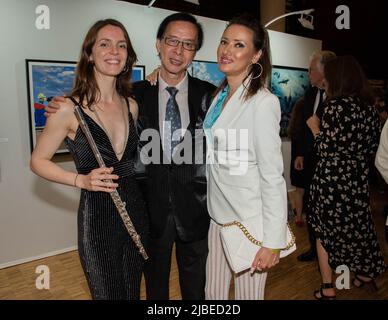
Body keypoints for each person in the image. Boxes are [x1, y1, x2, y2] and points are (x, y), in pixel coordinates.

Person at [46, 12, 215, 300]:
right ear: (158, 44)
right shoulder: (136, 96)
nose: (178, 50)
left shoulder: (210, 96)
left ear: (195, 52)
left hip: (196, 213)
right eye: (172, 41)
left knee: (196, 293)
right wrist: (60, 105)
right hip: (147, 214)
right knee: (151, 292)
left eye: (188, 44)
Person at [31, 19, 148, 300]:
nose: (114, 51)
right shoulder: (68, 108)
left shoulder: (130, 105)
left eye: (122, 45)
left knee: (132, 293)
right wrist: (79, 179)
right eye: (104, 44)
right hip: (97, 220)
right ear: (90, 54)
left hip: (135, 211)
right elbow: (38, 160)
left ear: (128, 56)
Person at [203, 14, 287, 300]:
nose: (227, 50)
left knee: (247, 298)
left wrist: (273, 242)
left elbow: (272, 175)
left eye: (239, 45)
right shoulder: (220, 96)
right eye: (224, 42)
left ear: (257, 54)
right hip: (218, 218)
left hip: (250, 224)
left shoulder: (264, 103)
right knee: (212, 294)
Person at [306, 55, 386, 299]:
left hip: (331, 182)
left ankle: (328, 287)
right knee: (358, 227)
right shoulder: (370, 110)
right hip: (357, 180)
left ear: (336, 77)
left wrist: (315, 128)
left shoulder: (335, 106)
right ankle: (364, 274)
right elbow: (372, 148)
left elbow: (325, 149)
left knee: (324, 232)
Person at [296, 50, 336, 262]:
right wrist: (301, 153)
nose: (308, 73)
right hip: (311, 160)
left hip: (330, 163)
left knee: (329, 211)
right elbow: (305, 127)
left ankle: (334, 254)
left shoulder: (337, 97)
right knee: (312, 206)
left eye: (311, 69)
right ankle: (315, 247)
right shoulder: (310, 94)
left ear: (323, 71)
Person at [288, 97, 306, 227]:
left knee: (299, 191)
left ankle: (299, 217)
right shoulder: (307, 126)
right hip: (305, 160)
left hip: (296, 160)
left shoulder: (294, 126)